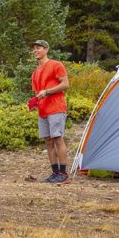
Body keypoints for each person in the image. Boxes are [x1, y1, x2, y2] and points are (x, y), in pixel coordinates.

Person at [30, 40, 70, 183]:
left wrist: (47, 92)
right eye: (34, 48)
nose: (35, 50)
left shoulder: (56, 65)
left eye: (38, 48)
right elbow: (37, 92)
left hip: (56, 108)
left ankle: (64, 175)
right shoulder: (35, 73)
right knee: (48, 141)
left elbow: (65, 84)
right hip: (43, 111)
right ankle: (55, 173)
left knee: (57, 139)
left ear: (46, 49)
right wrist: (34, 102)